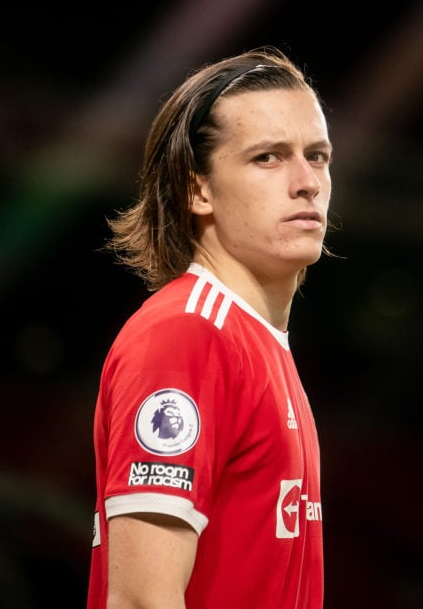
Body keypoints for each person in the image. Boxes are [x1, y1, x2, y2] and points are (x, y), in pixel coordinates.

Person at [87, 45, 334, 608]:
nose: (307, 182)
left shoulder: (255, 342)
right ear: (198, 189)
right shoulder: (189, 337)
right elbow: (142, 601)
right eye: (268, 157)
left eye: (316, 156)